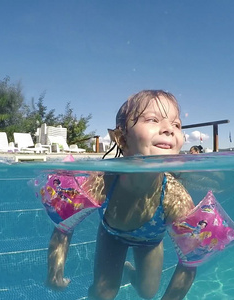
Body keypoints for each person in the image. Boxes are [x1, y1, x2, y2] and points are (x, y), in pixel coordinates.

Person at [45, 90, 197, 300]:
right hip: (112, 235)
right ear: (122, 139)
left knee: (147, 292)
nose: (169, 130)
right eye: (153, 119)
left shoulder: (175, 197)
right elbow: (64, 224)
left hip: (150, 241)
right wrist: (55, 270)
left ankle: (129, 272)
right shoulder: (102, 181)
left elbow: (190, 261)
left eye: (177, 124)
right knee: (103, 293)